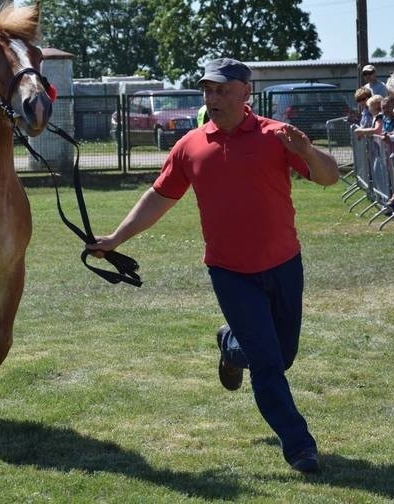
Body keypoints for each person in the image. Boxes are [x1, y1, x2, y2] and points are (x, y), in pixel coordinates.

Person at [86, 57, 339, 474]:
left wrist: (308, 151)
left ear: (246, 94)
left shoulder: (278, 137)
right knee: (268, 363)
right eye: (208, 89)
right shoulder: (190, 146)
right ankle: (299, 445)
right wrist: (115, 238)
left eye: (222, 90)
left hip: (283, 265)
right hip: (229, 272)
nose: (213, 97)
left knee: (283, 354)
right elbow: (158, 198)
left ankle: (229, 344)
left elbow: (329, 178)